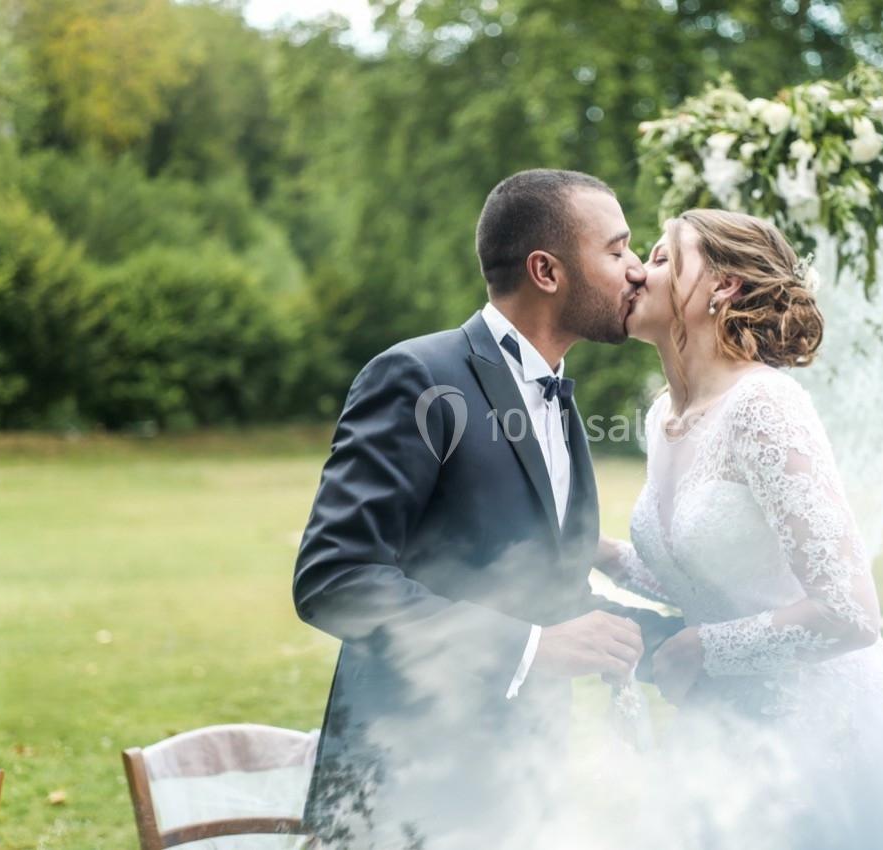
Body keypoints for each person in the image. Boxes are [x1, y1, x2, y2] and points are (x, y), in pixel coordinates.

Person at [597, 208, 883, 849]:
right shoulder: (661, 416)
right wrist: (604, 554)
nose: (639, 272)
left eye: (664, 257)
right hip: (721, 740)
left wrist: (705, 649)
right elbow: (716, 579)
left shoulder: (765, 407)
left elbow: (849, 610)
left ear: (723, 287)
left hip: (824, 743)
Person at [292, 169, 684, 849]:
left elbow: (549, 596)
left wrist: (699, 646)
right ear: (547, 271)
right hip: (405, 787)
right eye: (617, 251)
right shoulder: (418, 377)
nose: (633, 272)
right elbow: (336, 579)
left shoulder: (558, 396)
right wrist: (528, 648)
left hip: (520, 788)